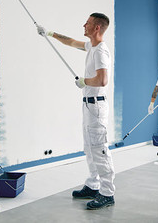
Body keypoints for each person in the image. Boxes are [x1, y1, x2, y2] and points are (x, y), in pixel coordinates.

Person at [36, 13, 115, 210]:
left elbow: (102, 80)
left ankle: (107, 193)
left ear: (97, 27)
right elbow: (71, 42)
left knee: (99, 148)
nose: (84, 25)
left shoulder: (100, 51)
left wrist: (84, 81)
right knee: (89, 147)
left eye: (87, 23)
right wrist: (50, 33)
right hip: (89, 105)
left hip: (97, 106)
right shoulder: (91, 46)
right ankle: (93, 185)